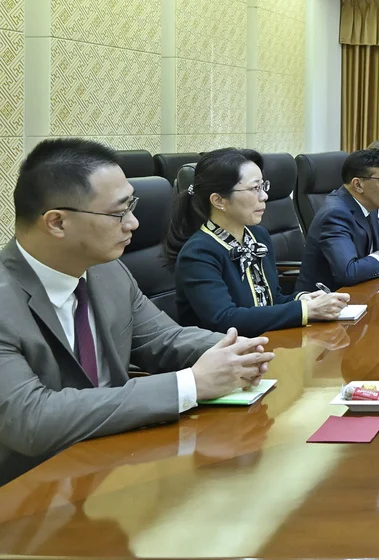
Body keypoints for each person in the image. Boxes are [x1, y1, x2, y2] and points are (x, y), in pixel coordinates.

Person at [0, 139, 274, 485]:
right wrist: (189, 384)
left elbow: (164, 339)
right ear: (57, 222)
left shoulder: (107, 271)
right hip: (28, 489)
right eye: (118, 213)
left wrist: (237, 351)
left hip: (113, 466)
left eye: (132, 206)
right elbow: (31, 420)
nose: (133, 224)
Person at [166, 148, 350, 336]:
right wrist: (305, 310)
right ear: (219, 200)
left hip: (264, 341)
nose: (264, 196)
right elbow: (224, 319)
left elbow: (272, 301)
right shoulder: (198, 253)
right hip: (225, 350)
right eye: (255, 188)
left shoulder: (258, 236)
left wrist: (305, 300)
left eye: (263, 186)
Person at [297, 147, 379, 292]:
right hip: (325, 299)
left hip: (359, 291)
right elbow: (348, 272)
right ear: (358, 185)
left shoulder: (367, 205)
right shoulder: (335, 214)